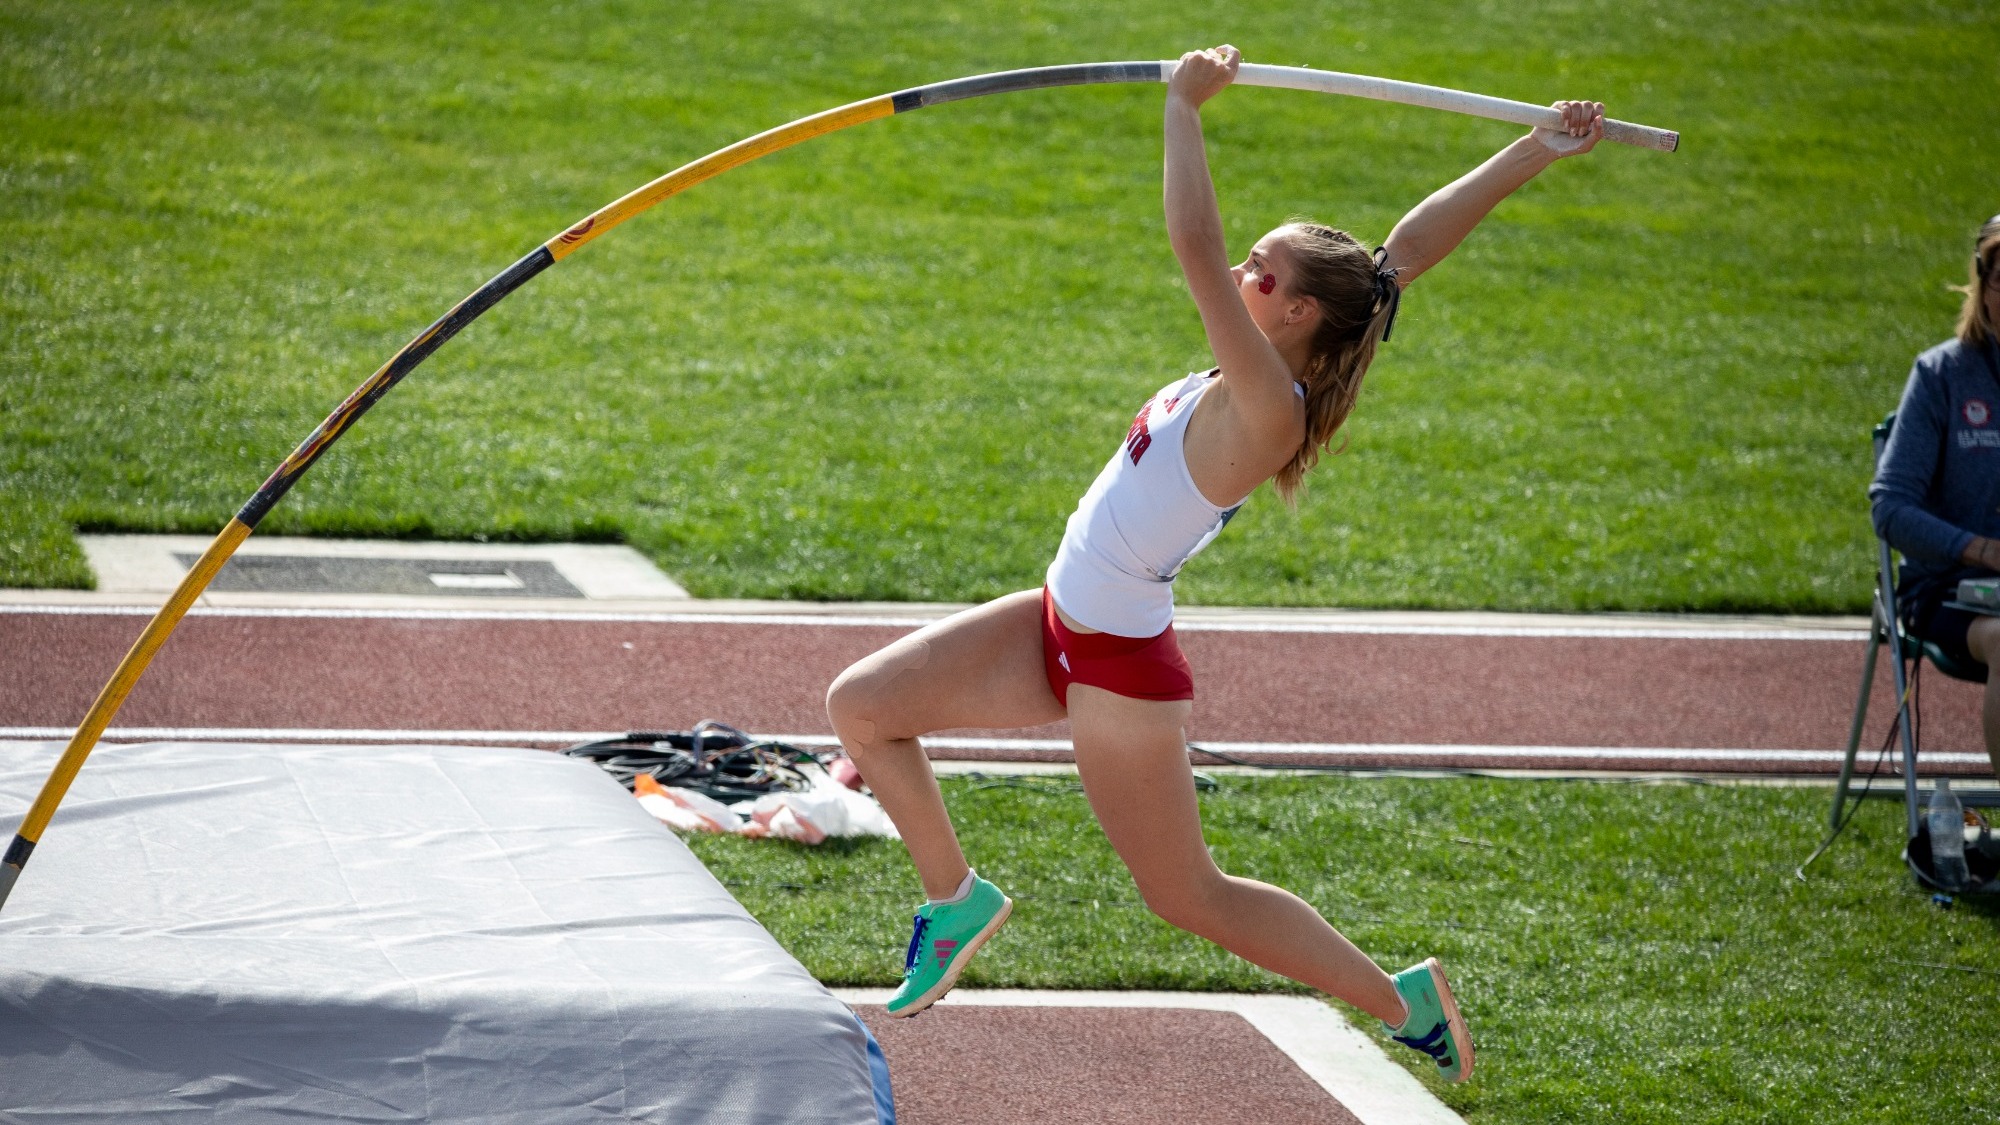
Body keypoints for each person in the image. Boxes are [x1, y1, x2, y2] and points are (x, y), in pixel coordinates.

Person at [826, 45, 1608, 1084]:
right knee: (863, 706)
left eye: (1265, 272)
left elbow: (1192, 247)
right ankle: (954, 900)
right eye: (1254, 259)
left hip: (1115, 661)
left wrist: (1183, 110)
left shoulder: (1265, 403)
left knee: (1185, 895)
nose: (1245, 272)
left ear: (1292, 317)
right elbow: (1397, 258)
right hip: (1055, 618)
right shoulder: (1277, 349)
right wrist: (1535, 147)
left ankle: (1398, 999)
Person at [1869, 213, 2000, 779]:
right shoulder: (1941, 375)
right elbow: (1891, 508)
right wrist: (1981, 550)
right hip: (1948, 590)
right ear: (1981, 282)